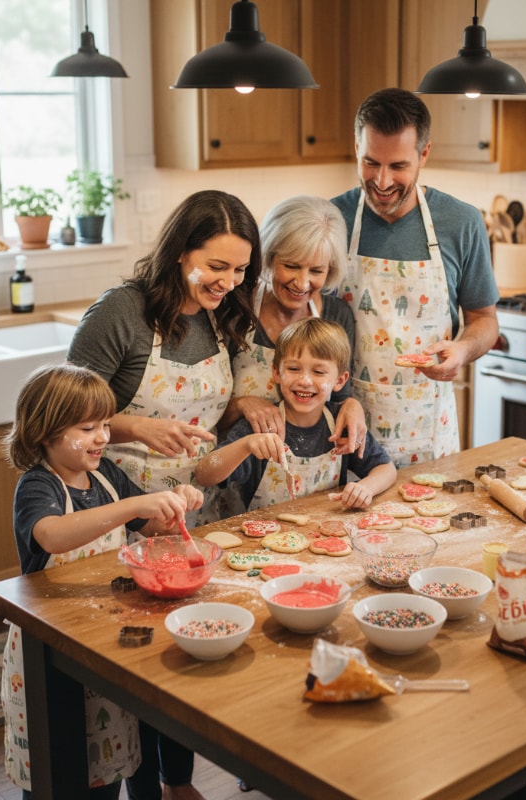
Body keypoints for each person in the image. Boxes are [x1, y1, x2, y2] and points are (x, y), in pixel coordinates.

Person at [67, 189, 262, 800]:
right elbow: (65, 413)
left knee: (187, 647)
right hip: (119, 514)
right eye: (217, 266)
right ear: (181, 254)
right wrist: (135, 426)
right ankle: (138, 783)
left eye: (240, 269)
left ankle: (177, 781)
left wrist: (248, 404)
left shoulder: (223, 314)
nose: (229, 282)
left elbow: (214, 405)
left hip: (195, 512)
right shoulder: (120, 314)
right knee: (131, 660)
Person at [0, 363, 204, 800]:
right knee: (60, 767)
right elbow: (52, 535)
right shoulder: (38, 487)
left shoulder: (107, 476)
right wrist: (130, 508)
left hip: (102, 638)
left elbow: (149, 530)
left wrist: (174, 507)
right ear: (46, 432)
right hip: (49, 646)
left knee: (104, 763)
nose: (103, 437)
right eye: (88, 427)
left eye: (107, 425)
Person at [331, 87, 499, 467]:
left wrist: (462, 349)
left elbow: (484, 320)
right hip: (343, 433)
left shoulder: (462, 222)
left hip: (427, 435)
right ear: (356, 148)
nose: (383, 180)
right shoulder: (331, 220)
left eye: (398, 166)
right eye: (370, 162)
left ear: (424, 153)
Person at [218, 194, 367, 463]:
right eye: (291, 266)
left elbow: (338, 396)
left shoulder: (336, 315)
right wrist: (242, 405)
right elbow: (205, 412)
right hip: (239, 473)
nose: (302, 282)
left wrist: (352, 405)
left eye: (316, 271)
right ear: (269, 256)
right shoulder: (236, 307)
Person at [195, 317, 396, 511]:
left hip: (328, 537)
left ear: (340, 380)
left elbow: (386, 469)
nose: (305, 381)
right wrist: (246, 445)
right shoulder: (260, 427)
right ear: (276, 372)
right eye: (293, 369)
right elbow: (205, 475)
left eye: (318, 372)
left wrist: (366, 488)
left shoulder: (342, 424)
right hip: (265, 538)